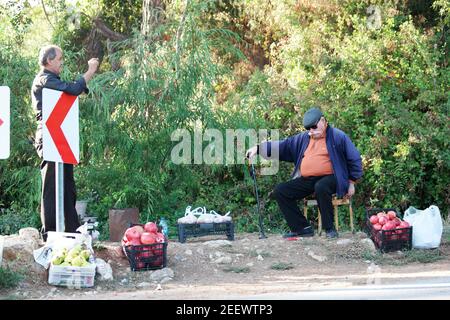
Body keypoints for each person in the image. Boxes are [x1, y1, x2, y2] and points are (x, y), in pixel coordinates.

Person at [246, 107, 363, 239]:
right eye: (309, 128)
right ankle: (302, 228)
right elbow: (283, 145)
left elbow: (354, 158)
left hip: (333, 177)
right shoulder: (303, 139)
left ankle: (330, 229)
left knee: (321, 186)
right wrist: (259, 148)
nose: (311, 131)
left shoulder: (337, 136)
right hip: (309, 179)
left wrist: (352, 182)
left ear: (323, 121)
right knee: (281, 191)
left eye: (314, 126)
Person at [31, 44, 99, 241]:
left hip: (61, 138)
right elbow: (73, 89)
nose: (62, 63)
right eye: (60, 59)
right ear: (50, 60)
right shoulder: (44, 79)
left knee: (67, 186)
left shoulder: (52, 79)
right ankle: (51, 235)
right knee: (52, 188)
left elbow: (71, 91)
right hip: (50, 138)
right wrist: (90, 71)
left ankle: (72, 232)